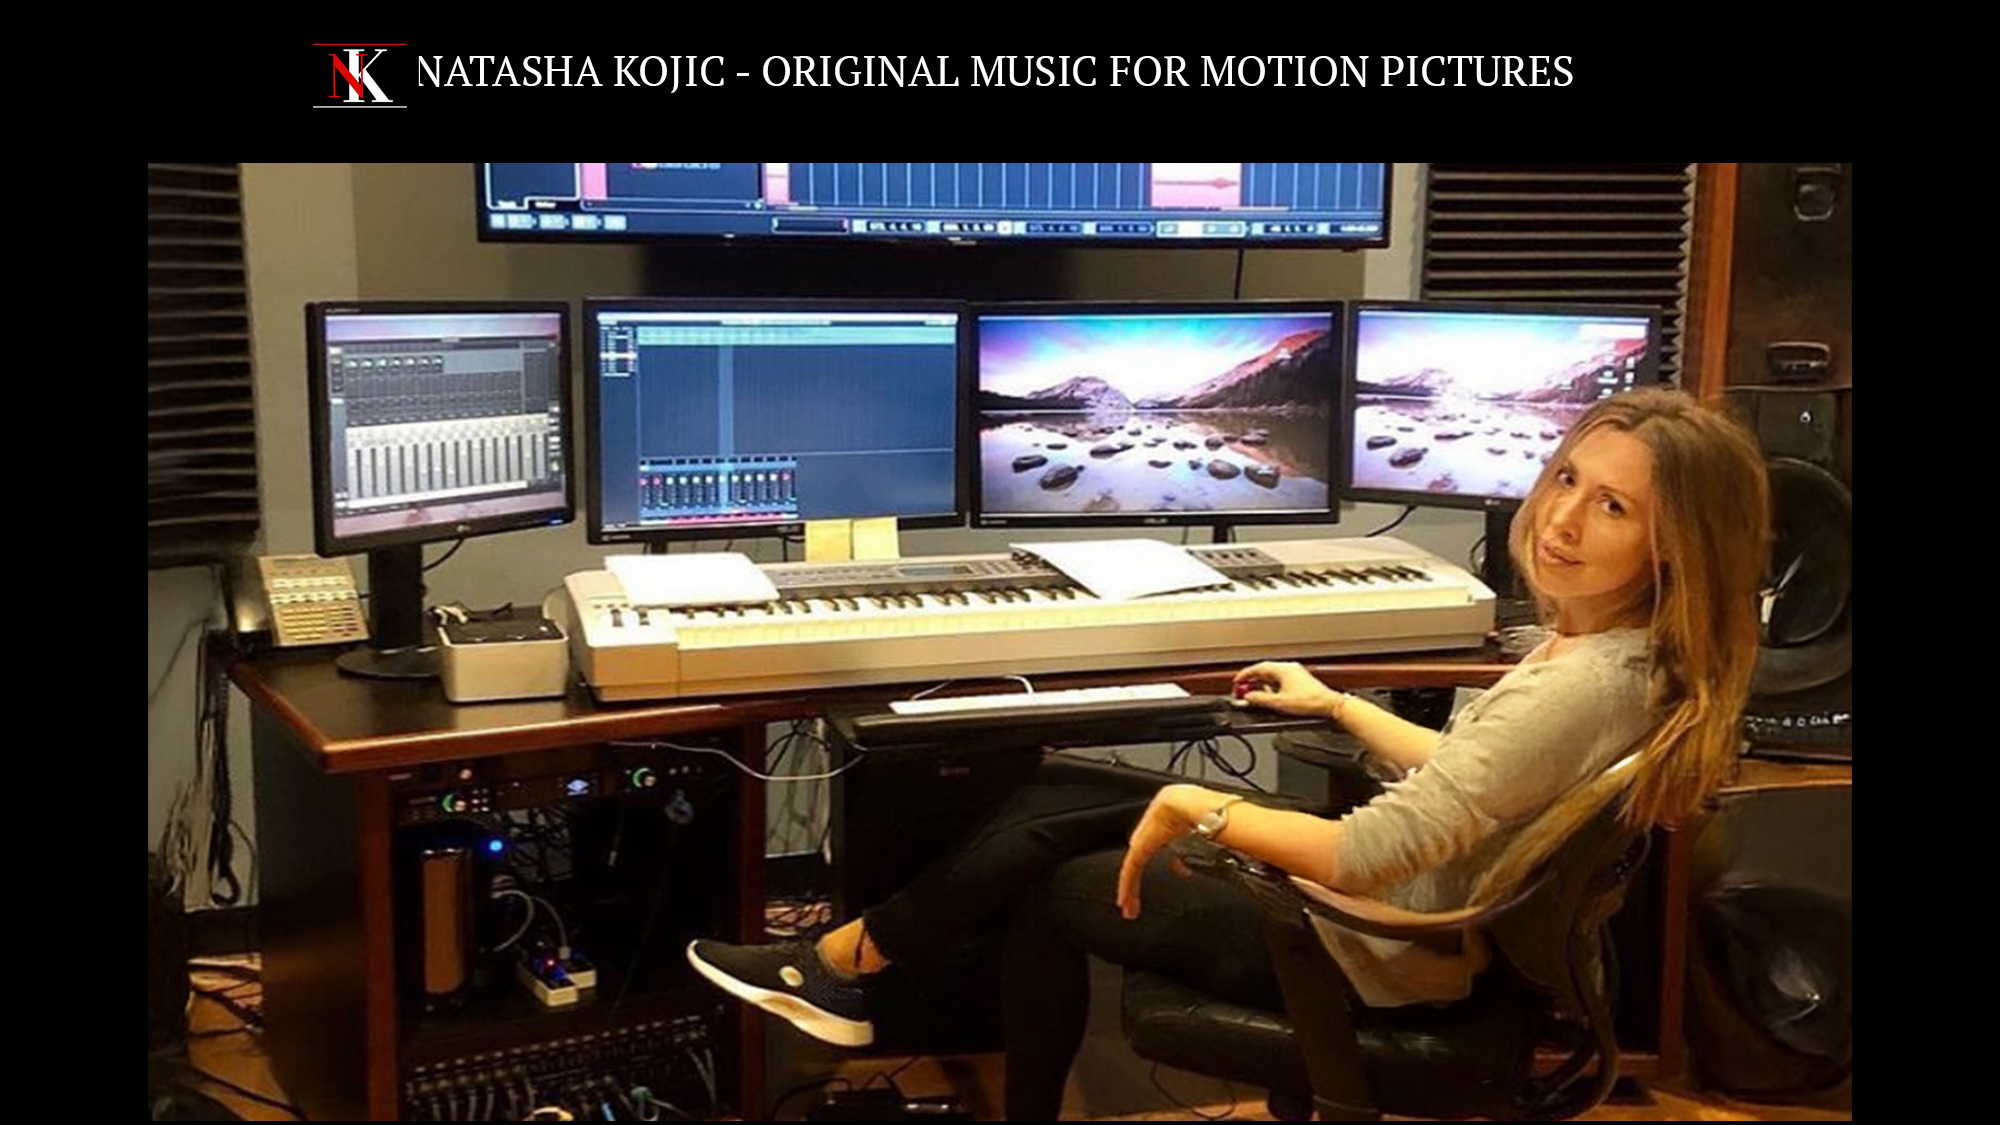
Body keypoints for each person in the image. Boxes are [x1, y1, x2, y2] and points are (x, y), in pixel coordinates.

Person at [688, 388, 1771, 1119]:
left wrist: (1203, 814)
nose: (1563, 517)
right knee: (1061, 791)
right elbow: (1469, 787)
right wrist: (1338, 708)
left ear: (1675, 546)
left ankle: (844, 971)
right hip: (1413, 933)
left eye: (1614, 505)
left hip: (1371, 946)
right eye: (1569, 477)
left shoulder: (1580, 682)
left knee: (1053, 875)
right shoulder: (1632, 664)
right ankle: (842, 966)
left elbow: (1373, 852)